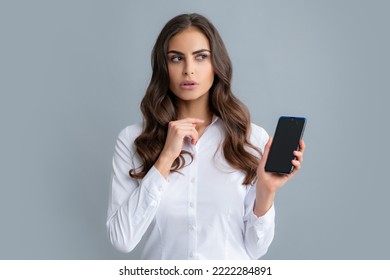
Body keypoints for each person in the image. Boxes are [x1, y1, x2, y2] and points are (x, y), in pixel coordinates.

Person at [106, 13, 305, 260]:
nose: (189, 70)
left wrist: (266, 191)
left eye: (201, 57)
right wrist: (166, 157)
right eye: (176, 58)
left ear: (216, 64)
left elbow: (255, 249)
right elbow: (122, 239)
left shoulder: (250, 138)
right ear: (163, 67)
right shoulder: (133, 140)